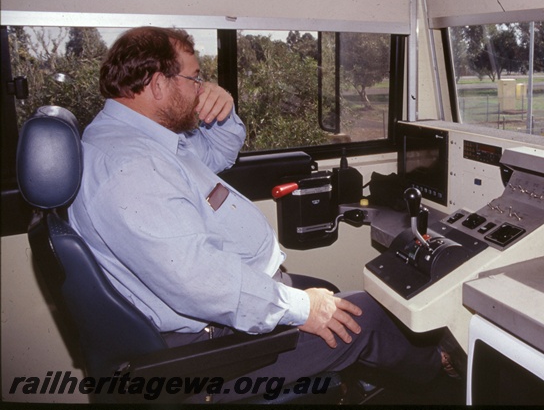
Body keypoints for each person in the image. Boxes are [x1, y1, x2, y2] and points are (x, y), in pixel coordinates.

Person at [68, 26, 449, 402]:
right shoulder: (132, 168)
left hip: (225, 304)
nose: (201, 88)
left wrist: (223, 108)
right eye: (195, 79)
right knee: (364, 316)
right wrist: (302, 308)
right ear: (157, 84)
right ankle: (441, 375)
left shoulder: (142, 137)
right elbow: (200, 283)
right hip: (210, 345)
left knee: (330, 293)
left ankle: (362, 376)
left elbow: (219, 154)